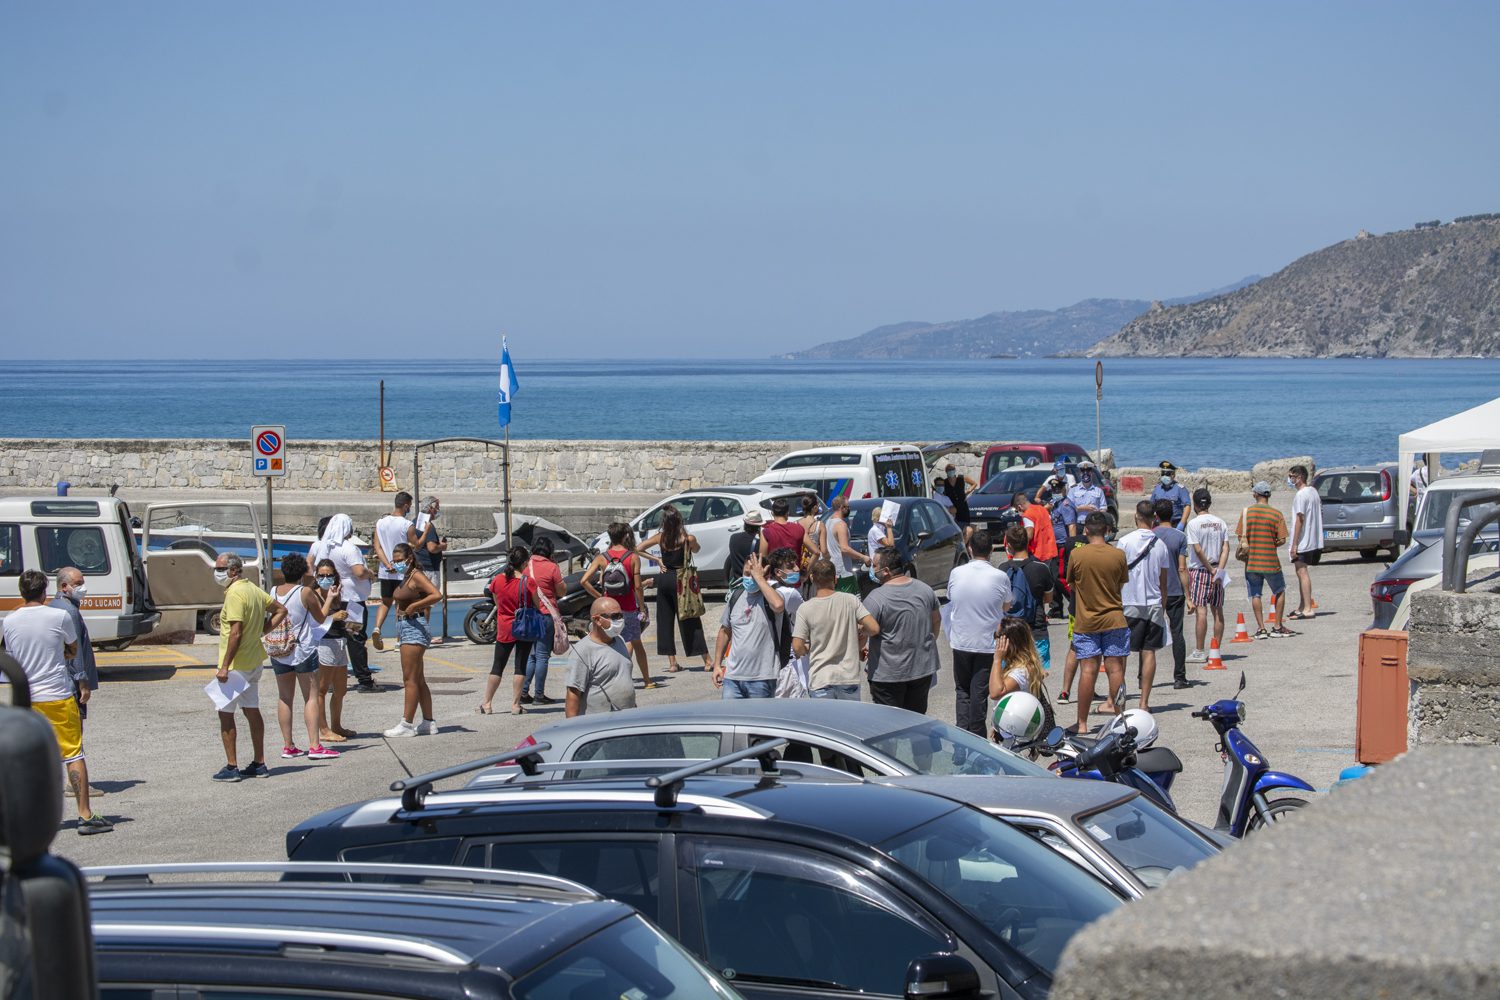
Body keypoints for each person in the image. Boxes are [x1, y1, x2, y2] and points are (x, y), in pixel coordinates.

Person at [2, 569, 111, 834]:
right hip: (58, 696)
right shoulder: (59, 616)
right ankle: (85, 815)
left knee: (27, 758)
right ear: (45, 592)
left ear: (21, 592)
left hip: (25, 699)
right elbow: (72, 651)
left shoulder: (10, 620)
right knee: (73, 754)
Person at [211, 552, 287, 781]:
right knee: (252, 710)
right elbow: (281, 610)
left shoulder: (235, 593)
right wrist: (261, 631)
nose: (217, 572)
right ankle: (259, 762)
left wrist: (224, 666)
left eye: (220, 568)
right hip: (254, 662)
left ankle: (232, 766)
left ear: (233, 571)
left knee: (225, 714)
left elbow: (235, 632)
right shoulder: (252, 589)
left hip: (236, 664)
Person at [270, 553, 340, 761]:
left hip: (279, 648)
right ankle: (314, 746)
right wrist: (330, 598)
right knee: (310, 697)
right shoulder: (305, 592)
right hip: (302, 649)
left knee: (284, 697)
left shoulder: (273, 591)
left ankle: (288, 745)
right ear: (302, 573)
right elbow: (320, 619)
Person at [1066, 512, 1129, 732]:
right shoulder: (1118, 555)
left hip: (1087, 620)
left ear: (1085, 531)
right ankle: (1121, 719)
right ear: (1107, 530)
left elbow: (1072, 585)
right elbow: (1120, 584)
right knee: (1115, 669)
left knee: (1088, 670)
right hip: (1114, 618)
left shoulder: (1077, 555)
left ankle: (1082, 724)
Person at [944, 530, 1012, 736]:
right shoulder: (1000, 576)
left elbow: (949, 597)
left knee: (962, 691)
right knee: (979, 693)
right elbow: (1007, 605)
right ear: (992, 550)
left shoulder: (957, 573)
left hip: (961, 641)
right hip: (986, 643)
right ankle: (977, 735)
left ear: (970, 549)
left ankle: (962, 735)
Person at [862, 546, 940, 712]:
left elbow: (862, 629)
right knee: (916, 723)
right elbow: (936, 620)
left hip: (887, 676)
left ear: (886, 571)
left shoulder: (875, 599)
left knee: (888, 728)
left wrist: (860, 649)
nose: (871, 569)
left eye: (875, 566)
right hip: (922, 670)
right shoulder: (925, 590)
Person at [792, 558, 879, 700]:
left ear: (812, 579)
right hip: (847, 677)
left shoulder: (805, 608)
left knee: (823, 722)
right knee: (849, 722)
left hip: (820, 678)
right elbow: (873, 628)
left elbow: (797, 647)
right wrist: (858, 630)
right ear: (835, 578)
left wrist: (810, 648)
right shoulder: (850, 600)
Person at [581, 522, 655, 688]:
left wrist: (600, 597)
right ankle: (647, 680)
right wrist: (641, 607)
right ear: (625, 536)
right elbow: (637, 587)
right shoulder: (633, 557)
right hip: (628, 607)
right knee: (635, 642)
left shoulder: (602, 558)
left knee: (609, 643)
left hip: (609, 608)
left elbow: (584, 581)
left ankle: (611, 679)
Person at [637, 507, 709, 674]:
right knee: (690, 619)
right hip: (681, 579)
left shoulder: (660, 537)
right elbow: (697, 550)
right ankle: (707, 660)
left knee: (665, 620)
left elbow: (638, 548)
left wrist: (657, 559)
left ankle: (672, 663)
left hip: (664, 578)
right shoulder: (687, 538)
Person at [1117, 501, 1171, 712]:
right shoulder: (1160, 545)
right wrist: (1163, 605)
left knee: (1122, 653)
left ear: (1136, 517)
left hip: (1129, 600)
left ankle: (1119, 701)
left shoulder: (1124, 542)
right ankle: (1144, 702)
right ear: (1154, 518)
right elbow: (1163, 581)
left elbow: (1118, 574)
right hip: (1153, 602)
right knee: (1149, 652)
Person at [711, 552, 785, 699]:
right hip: (733, 678)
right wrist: (717, 665)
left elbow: (778, 605)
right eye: (746, 573)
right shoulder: (736, 596)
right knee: (731, 721)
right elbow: (725, 631)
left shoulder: (775, 595)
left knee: (758, 721)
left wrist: (758, 577)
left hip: (761, 678)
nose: (749, 577)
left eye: (753, 573)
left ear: (766, 574)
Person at [317, 514, 377, 693]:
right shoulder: (349, 548)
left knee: (334, 637)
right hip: (353, 600)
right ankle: (364, 679)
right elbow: (358, 571)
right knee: (355, 638)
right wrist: (370, 573)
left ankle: (328, 680)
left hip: (336, 598)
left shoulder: (327, 547)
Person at [480, 545, 542, 716]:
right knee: (520, 666)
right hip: (524, 627)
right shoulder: (528, 582)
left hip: (505, 626)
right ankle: (515, 705)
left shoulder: (498, 580)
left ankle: (487, 703)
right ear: (523, 563)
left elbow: (497, 602)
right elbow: (537, 604)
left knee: (497, 666)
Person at [565, 597, 639, 717]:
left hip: (627, 719)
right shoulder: (582, 651)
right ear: (597, 619)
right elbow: (573, 694)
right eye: (615, 617)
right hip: (598, 724)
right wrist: (571, 730)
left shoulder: (619, 640)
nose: (620, 620)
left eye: (621, 616)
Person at [309, 557, 356, 743]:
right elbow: (316, 620)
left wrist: (350, 624)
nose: (326, 578)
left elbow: (341, 617)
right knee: (321, 689)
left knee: (341, 689)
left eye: (329, 575)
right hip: (324, 643)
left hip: (340, 641)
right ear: (316, 576)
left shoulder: (337, 593)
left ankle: (336, 725)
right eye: (322, 575)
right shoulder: (313, 595)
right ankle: (324, 728)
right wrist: (333, 616)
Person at [1238, 481, 1293, 639]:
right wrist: (1272, 542)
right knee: (1279, 590)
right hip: (1270, 561)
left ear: (1256, 494)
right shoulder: (1276, 514)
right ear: (1269, 495)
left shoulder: (1247, 512)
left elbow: (1240, 535)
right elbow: (1282, 539)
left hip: (1252, 562)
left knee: (1255, 594)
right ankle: (1277, 626)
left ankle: (1261, 629)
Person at [49, 567, 98, 739]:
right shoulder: (69, 611)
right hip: (71, 683)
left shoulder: (54, 605)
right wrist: (82, 682)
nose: (82, 588)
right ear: (64, 586)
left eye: (82, 583)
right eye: (77, 584)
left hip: (58, 680)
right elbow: (75, 650)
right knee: (75, 734)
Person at [997, 525, 1053, 669]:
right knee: (1036, 678)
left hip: (1008, 632)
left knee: (1008, 679)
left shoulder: (1002, 570)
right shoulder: (1041, 568)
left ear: (1008, 545)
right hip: (1036, 631)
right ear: (1027, 542)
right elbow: (1048, 599)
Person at [520, 536, 567, 702]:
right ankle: (539, 695)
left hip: (529, 615)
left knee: (532, 655)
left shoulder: (526, 565)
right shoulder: (552, 567)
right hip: (546, 614)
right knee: (542, 656)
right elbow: (562, 591)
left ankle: (523, 692)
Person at [988, 617, 1050, 741]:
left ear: (1010, 642)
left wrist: (997, 660)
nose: (995, 640)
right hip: (1014, 728)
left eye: (997, 636)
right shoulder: (1022, 666)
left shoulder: (1021, 672)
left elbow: (995, 693)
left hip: (1015, 735)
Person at [1185, 488, 1229, 664]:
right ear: (1209, 503)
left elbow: (1197, 549)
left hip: (1200, 571)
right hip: (1218, 568)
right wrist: (1219, 569)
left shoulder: (1194, 524)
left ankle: (1200, 650)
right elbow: (1226, 548)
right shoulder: (1220, 523)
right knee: (1218, 610)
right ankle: (1215, 648)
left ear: (1195, 505)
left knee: (1201, 611)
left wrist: (1210, 569)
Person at [1152, 499, 1191, 690]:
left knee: (1148, 636)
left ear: (1156, 516)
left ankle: (1144, 675)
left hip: (1154, 592)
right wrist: (1189, 596)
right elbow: (1182, 568)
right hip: (1175, 590)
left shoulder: (1150, 536)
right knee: (1177, 633)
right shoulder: (1179, 536)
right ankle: (1180, 676)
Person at [371, 492, 417, 651]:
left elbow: (377, 547)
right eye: (409, 506)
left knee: (385, 602)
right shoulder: (407, 524)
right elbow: (416, 544)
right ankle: (399, 640)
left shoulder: (380, 523)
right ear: (405, 505)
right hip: (402, 570)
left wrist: (387, 564)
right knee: (401, 603)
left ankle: (377, 628)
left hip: (385, 570)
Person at [1037, 474, 1077, 619]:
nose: (1056, 491)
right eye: (1053, 489)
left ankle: (1075, 603)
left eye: (1058, 488)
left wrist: (1071, 547)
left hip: (1062, 546)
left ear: (1064, 489)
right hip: (1054, 546)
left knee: (1060, 578)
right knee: (1053, 578)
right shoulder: (1056, 504)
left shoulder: (1065, 505)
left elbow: (1071, 526)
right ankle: (1056, 607)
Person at [1287, 465, 1323, 619]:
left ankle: (1308, 608)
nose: (1290, 479)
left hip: (1304, 540)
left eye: (1292, 476)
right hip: (1312, 539)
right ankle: (1302, 605)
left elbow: (1299, 519)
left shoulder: (1301, 495)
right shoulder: (1313, 491)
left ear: (1300, 477)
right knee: (1299, 571)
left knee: (1302, 572)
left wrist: (1294, 544)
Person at [411, 496, 448, 640]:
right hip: (429, 568)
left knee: (419, 601)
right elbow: (432, 548)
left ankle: (418, 631)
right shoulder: (429, 526)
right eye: (437, 507)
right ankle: (425, 634)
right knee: (427, 603)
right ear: (431, 508)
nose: (438, 510)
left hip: (418, 566)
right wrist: (443, 546)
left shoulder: (415, 522)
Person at [824, 496, 870, 593]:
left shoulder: (828, 522)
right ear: (841, 507)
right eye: (847, 507)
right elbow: (844, 548)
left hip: (833, 570)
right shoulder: (841, 525)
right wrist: (863, 557)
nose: (849, 509)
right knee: (849, 602)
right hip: (843, 573)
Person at [864, 508, 896, 596]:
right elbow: (890, 545)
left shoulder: (878, 530)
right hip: (879, 568)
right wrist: (889, 528)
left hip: (880, 566)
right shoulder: (876, 531)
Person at [725, 509, 764, 582]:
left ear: (745, 524)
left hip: (738, 581)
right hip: (752, 581)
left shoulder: (733, 538)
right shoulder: (759, 543)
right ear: (759, 526)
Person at [1151, 462, 1193, 528]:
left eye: (1167, 474)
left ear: (1173, 475)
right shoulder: (1157, 488)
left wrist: (1182, 523)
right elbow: (1151, 505)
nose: (1164, 476)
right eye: (1163, 474)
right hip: (1159, 523)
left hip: (1175, 523)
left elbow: (1187, 506)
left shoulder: (1180, 489)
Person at [937, 462, 977, 530]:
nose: (951, 471)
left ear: (955, 470)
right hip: (952, 508)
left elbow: (974, 484)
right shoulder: (945, 482)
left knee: (966, 527)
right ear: (946, 472)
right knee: (955, 528)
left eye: (952, 469)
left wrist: (968, 491)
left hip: (963, 507)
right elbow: (942, 492)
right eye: (949, 470)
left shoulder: (961, 478)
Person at [795, 495, 825, 574]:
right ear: (815, 508)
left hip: (799, 563)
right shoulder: (820, 525)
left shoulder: (796, 524)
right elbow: (824, 550)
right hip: (814, 564)